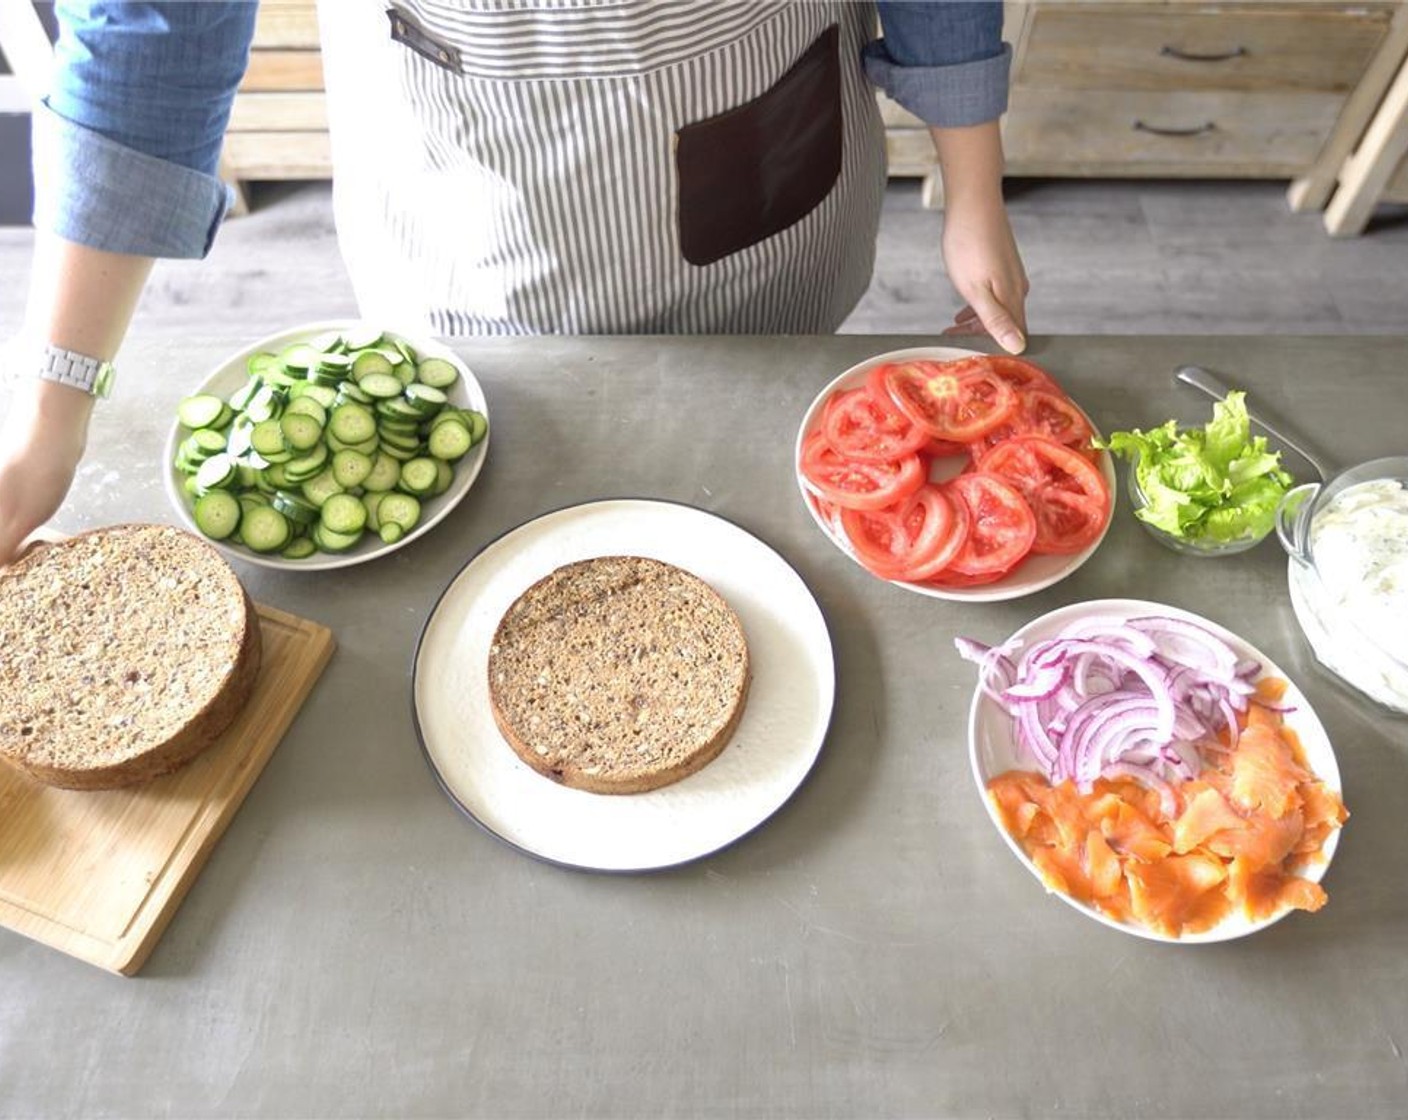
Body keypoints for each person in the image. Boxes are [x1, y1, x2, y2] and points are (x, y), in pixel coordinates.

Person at [0, 0, 1029, 565]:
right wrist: (53, 408)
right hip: (464, 203)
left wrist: (973, 179)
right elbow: (152, 30)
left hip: (762, 154)